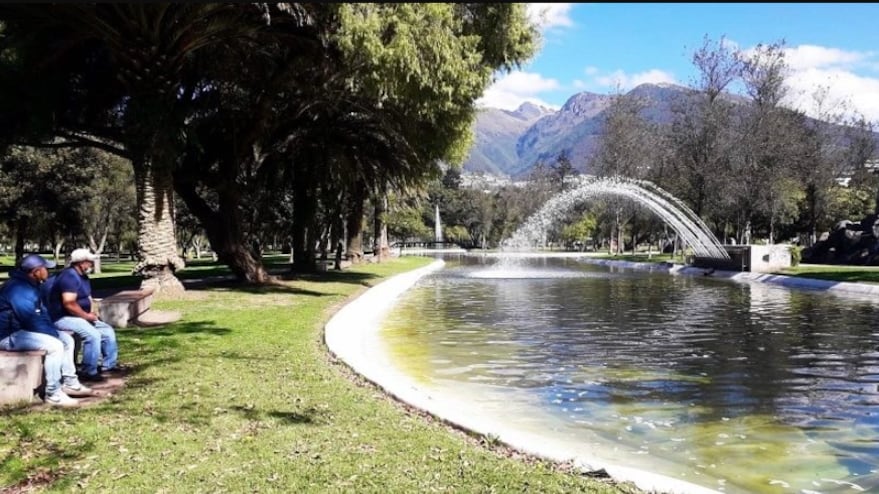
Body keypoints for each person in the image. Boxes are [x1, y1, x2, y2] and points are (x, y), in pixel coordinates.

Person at [0, 254, 90, 406]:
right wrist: (53, 334)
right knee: (55, 346)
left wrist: (54, 332)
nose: (49, 272)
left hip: (21, 330)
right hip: (8, 336)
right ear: (35, 271)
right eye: (45, 269)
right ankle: (53, 393)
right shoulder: (18, 289)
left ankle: (69, 382)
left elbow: (42, 315)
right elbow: (31, 319)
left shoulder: (30, 286)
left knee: (66, 339)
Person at [45, 248, 119, 383]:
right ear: (81, 263)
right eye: (90, 262)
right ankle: (88, 371)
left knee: (107, 331)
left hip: (80, 316)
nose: (91, 264)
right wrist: (86, 316)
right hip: (62, 317)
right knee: (93, 335)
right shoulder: (69, 277)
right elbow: (69, 303)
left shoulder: (83, 277)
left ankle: (109, 365)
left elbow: (87, 297)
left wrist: (92, 313)